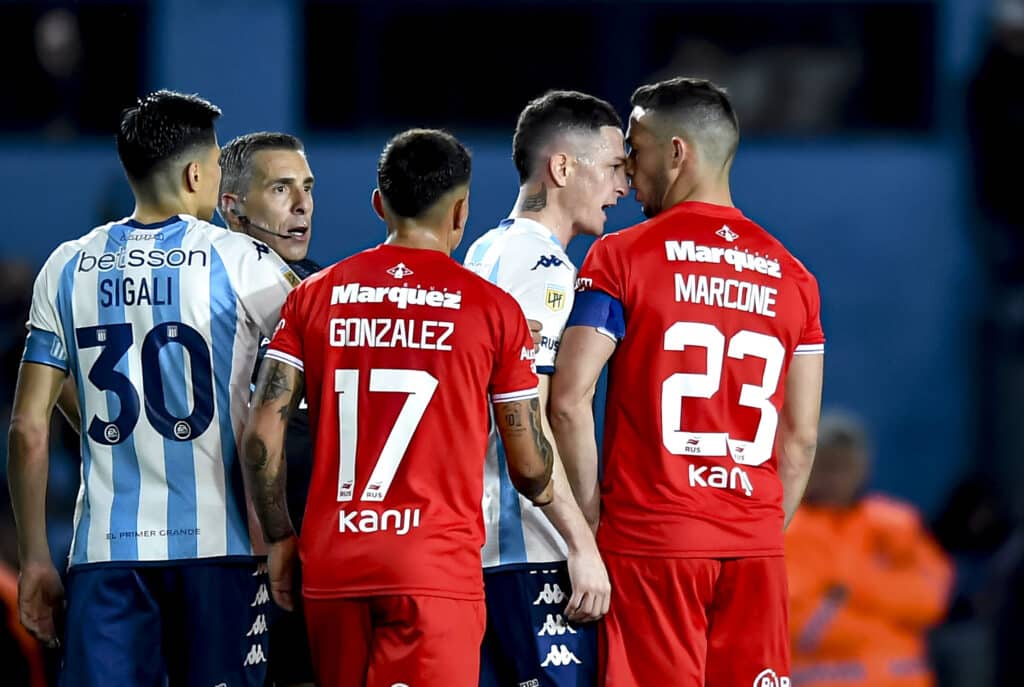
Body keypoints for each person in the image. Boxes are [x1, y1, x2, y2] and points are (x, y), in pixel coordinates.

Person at [241, 128, 562, 687]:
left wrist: (280, 539)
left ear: (378, 204)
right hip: (433, 573)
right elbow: (530, 469)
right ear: (461, 211)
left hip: (334, 566)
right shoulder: (494, 310)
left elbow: (261, 437)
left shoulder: (315, 294)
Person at [8, 89, 298, 686]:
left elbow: (27, 428)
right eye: (217, 168)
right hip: (221, 550)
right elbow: (314, 381)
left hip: (105, 556)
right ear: (197, 173)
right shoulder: (245, 262)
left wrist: (36, 556)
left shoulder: (66, 266)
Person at [549, 77, 825, 686]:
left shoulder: (621, 257)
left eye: (636, 152)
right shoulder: (795, 278)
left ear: (677, 154)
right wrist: (750, 527)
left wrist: (592, 529)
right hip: (753, 548)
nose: (627, 174)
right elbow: (801, 438)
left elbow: (568, 401)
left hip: (653, 544)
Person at [463, 90, 625, 686]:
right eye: (612, 167)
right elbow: (542, 411)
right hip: (530, 545)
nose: (623, 186)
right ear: (562, 167)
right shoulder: (546, 272)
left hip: (480, 547)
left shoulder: (484, 252)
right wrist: (583, 542)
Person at [218, 131, 320, 687]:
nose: (302, 204)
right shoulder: (196, 294)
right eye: (282, 189)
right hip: (222, 553)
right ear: (230, 206)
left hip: (308, 552)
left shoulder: (330, 293)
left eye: (307, 188)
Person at [786, 413, 952, 687]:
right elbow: (790, 622)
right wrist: (885, 616)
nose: (836, 476)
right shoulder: (785, 527)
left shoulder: (897, 523)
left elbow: (930, 598)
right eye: (827, 464)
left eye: (846, 464)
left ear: (863, 467)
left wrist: (849, 589)